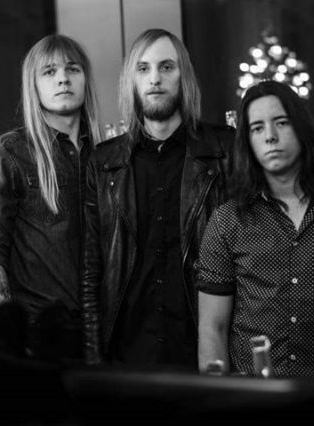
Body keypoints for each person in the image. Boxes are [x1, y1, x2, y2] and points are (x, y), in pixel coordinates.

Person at [81, 29, 234, 370]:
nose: (154, 79)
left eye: (167, 67)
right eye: (143, 68)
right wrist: (94, 363)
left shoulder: (224, 152)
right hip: (128, 357)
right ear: (131, 81)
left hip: (203, 353)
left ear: (184, 76)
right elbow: (92, 273)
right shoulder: (103, 163)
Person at [196, 80, 314, 377]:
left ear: (302, 128)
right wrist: (219, 396)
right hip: (256, 394)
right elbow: (214, 327)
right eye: (257, 128)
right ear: (247, 142)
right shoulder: (228, 221)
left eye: (281, 123)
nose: (270, 137)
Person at [0, 34, 103, 360]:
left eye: (72, 69)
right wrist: (12, 339)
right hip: (39, 338)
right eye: (49, 71)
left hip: (104, 336)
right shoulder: (5, 156)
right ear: (33, 85)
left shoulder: (108, 156)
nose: (63, 78)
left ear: (85, 79)